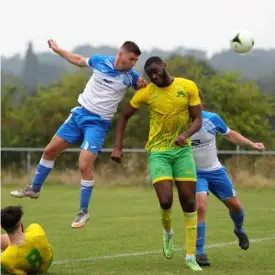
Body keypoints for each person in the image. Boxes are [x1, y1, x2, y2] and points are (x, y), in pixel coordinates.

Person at [10, 40, 147, 229]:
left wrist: (143, 85)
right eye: (131, 59)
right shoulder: (100, 61)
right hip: (79, 115)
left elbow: (144, 90)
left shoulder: (131, 76)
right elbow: (78, 59)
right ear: (120, 54)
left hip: (98, 124)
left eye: (136, 60)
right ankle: (34, 188)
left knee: (83, 164)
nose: (133, 63)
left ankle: (83, 212)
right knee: (50, 150)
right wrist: (58, 50)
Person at [111, 56, 203, 272]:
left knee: (189, 202)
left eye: (156, 71)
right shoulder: (147, 92)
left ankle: (191, 257)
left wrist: (185, 134)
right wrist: (117, 146)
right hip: (158, 152)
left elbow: (198, 119)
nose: (154, 76)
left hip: (183, 151)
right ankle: (168, 232)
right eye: (150, 73)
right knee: (165, 199)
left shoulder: (187, 86)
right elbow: (124, 116)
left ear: (164, 66)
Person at [190, 91, 265, 266]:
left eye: (198, 101)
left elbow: (230, 134)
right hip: (194, 174)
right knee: (200, 206)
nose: (195, 104)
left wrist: (252, 144)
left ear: (203, 105)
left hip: (215, 171)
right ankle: (200, 252)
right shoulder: (180, 122)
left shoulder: (212, 119)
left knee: (236, 206)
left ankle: (239, 229)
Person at [1, 206, 53, 275]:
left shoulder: (5, 259)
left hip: (19, 260)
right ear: (20, 223)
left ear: (2, 227)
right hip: (47, 262)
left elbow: (23, 273)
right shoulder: (36, 229)